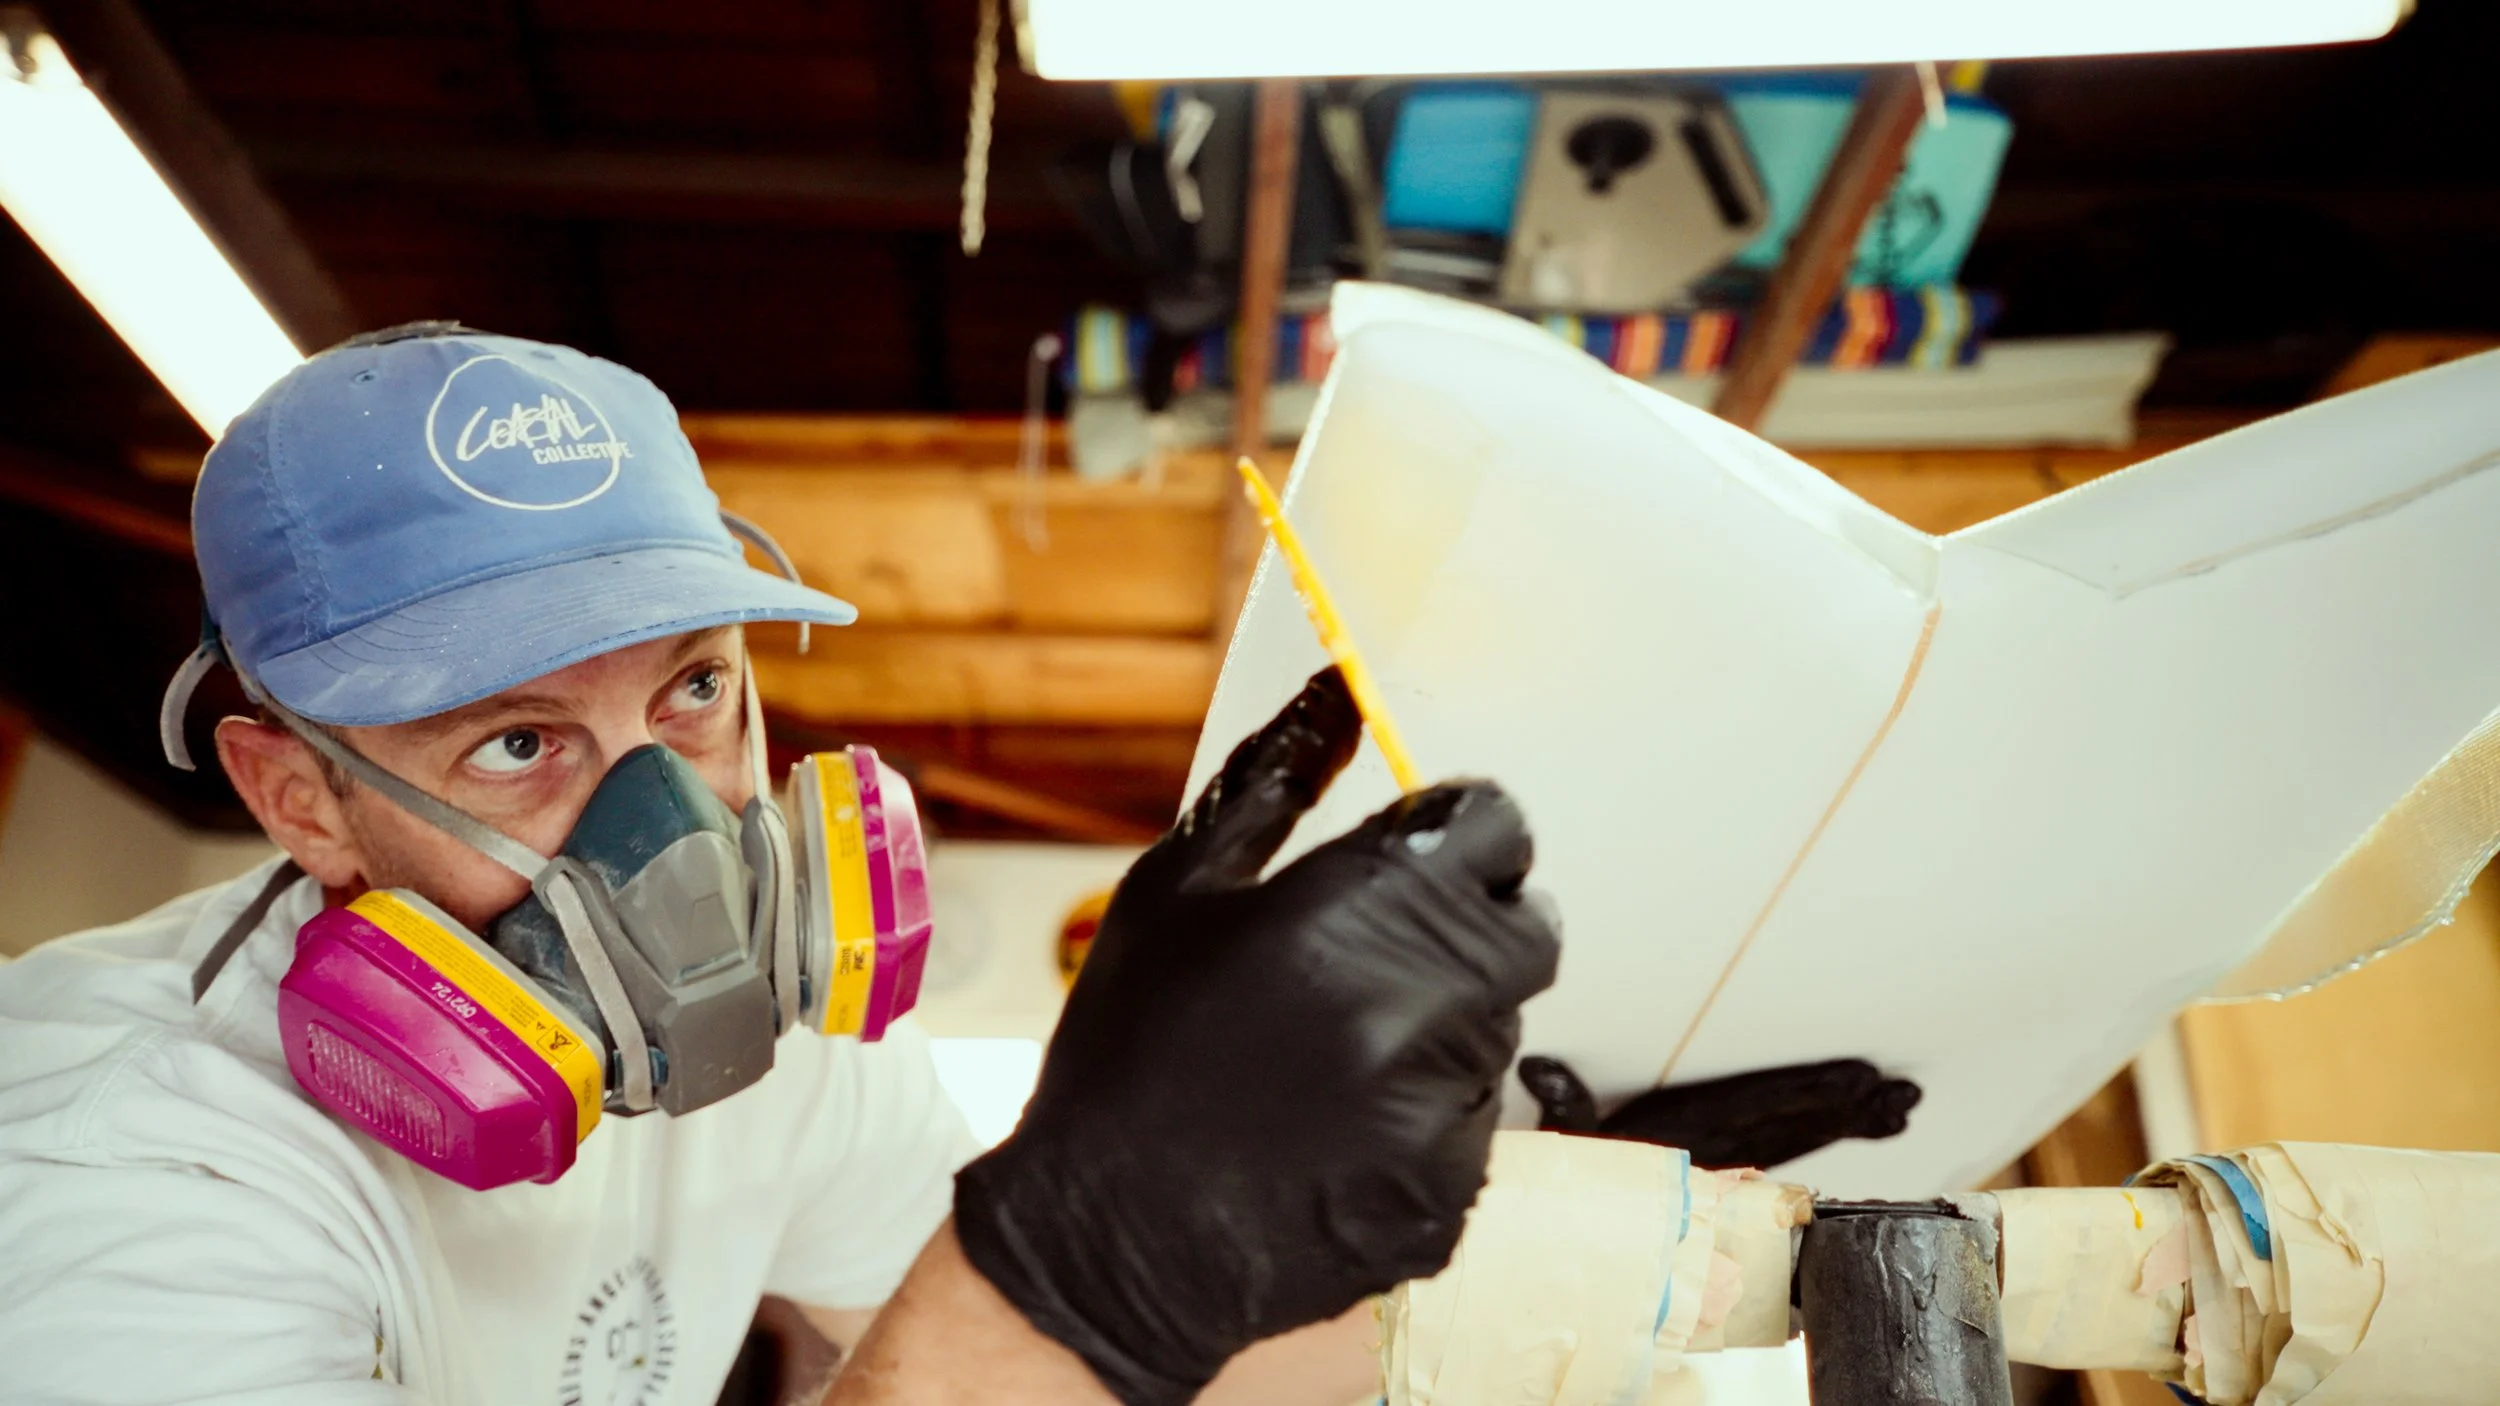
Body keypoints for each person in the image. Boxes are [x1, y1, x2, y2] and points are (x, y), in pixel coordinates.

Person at [0, 324, 1560, 1406]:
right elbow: (1035, 1334)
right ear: (299, 800)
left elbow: (1145, 1362)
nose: (667, 830)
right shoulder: (118, 1175)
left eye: (693, 690)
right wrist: (1071, 1257)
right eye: (520, 745)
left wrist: (1534, 1217)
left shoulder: (767, 1052)